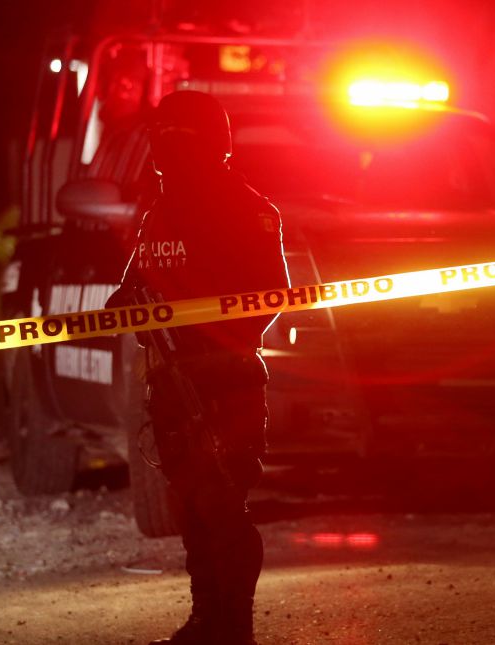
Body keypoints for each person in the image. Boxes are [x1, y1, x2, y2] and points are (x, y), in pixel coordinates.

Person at [114, 90, 289, 643]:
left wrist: (213, 348)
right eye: (162, 133)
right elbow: (130, 288)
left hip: (224, 382)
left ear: (214, 142)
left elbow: (271, 295)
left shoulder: (248, 208)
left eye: (181, 134)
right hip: (169, 384)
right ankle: (204, 620)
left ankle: (235, 629)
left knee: (222, 508)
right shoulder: (159, 212)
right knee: (191, 507)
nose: (168, 145)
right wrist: (129, 305)